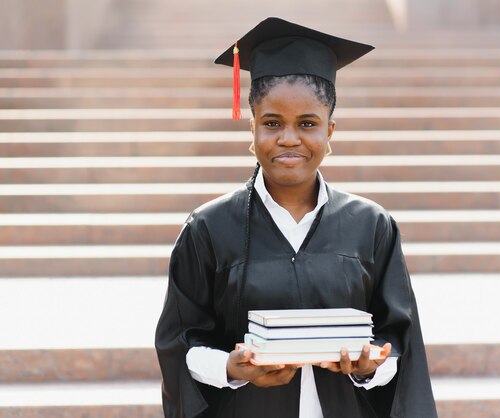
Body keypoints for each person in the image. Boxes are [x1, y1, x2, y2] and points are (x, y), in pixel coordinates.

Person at [155, 17, 437, 418]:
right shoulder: (209, 228)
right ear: (252, 128)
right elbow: (179, 341)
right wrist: (231, 369)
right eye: (272, 123)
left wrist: (371, 366)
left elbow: (399, 339)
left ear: (330, 132)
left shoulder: (371, 226)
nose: (289, 138)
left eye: (307, 123)